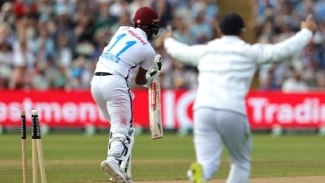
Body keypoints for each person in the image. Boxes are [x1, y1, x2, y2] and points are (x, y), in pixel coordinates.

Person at [163, 13, 317, 183]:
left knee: (207, 163)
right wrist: (306, 32)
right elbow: (282, 51)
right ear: (242, 33)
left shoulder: (205, 50)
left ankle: (198, 174)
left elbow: (180, 51)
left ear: (219, 32)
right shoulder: (249, 51)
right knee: (241, 163)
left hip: (203, 110)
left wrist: (169, 39)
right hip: (232, 110)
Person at [91, 7, 162, 183]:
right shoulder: (148, 50)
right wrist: (152, 75)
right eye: (154, 26)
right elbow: (139, 80)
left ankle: (124, 175)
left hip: (96, 81)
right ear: (149, 27)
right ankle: (113, 160)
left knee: (118, 129)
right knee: (124, 130)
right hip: (115, 84)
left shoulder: (122, 30)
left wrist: (150, 75)